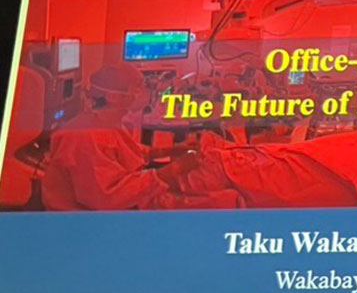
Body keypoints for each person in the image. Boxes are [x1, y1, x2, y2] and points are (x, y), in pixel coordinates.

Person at [40, 64, 237, 211]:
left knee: (224, 194)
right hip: (96, 218)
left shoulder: (105, 123)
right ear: (113, 96)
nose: (143, 93)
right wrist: (173, 170)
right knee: (227, 200)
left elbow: (122, 154)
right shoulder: (86, 137)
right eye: (137, 89)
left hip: (122, 199)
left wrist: (165, 151)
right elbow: (108, 198)